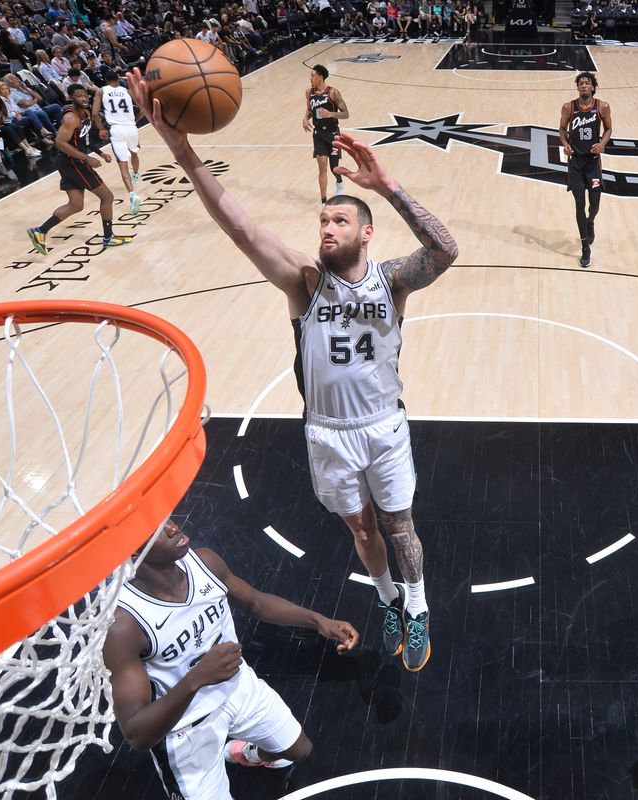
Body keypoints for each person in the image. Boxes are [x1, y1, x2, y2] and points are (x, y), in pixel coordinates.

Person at [127, 67, 459, 673]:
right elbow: (240, 225)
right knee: (362, 530)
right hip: (327, 430)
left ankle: (416, 605)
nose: (326, 228)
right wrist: (182, 150)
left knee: (401, 525)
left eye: (339, 221)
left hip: (384, 424)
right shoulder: (304, 284)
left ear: (366, 232)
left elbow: (445, 250)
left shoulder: (393, 281)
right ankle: (386, 598)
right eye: (323, 222)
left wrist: (387, 185)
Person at [102, 518, 359, 800]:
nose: (174, 528)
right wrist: (197, 679)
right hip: (186, 727)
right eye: (157, 530)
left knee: (296, 749)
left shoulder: (205, 563)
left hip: (237, 687)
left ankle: (245, 752)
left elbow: (254, 602)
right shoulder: (124, 626)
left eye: (170, 520)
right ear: (135, 553)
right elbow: (137, 734)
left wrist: (320, 621)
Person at [27, 85, 133, 255]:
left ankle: (39, 231)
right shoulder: (70, 117)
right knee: (107, 197)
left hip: (70, 162)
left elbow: (83, 138)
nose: (84, 98)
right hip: (73, 162)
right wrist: (87, 158)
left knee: (75, 205)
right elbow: (60, 142)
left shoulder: (85, 113)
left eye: (85, 96)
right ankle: (108, 237)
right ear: (71, 97)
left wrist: (99, 152)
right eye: (79, 96)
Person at [559, 71, 612, 268]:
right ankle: (584, 248)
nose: (583, 85)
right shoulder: (568, 107)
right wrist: (565, 143)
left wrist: (603, 144)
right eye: (580, 83)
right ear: (578, 87)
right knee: (579, 203)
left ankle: (591, 221)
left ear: (592, 87)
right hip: (575, 163)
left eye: (586, 83)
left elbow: (608, 129)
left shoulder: (602, 107)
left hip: (593, 162)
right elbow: (562, 129)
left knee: (595, 202)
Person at [92, 66, 141, 215]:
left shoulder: (101, 91)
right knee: (134, 153)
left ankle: (132, 194)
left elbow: (94, 113)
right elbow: (144, 108)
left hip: (116, 130)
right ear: (118, 79)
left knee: (122, 165)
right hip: (131, 128)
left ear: (106, 81)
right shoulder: (128, 91)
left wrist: (101, 128)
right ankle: (137, 174)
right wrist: (136, 120)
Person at [302, 64, 348, 207]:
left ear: (320, 77)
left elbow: (346, 113)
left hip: (333, 133)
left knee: (334, 168)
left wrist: (331, 114)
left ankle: (339, 183)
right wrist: (305, 118)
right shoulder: (309, 92)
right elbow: (310, 110)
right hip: (318, 134)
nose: (310, 78)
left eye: (312, 75)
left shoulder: (333, 93)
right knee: (322, 167)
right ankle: (324, 202)